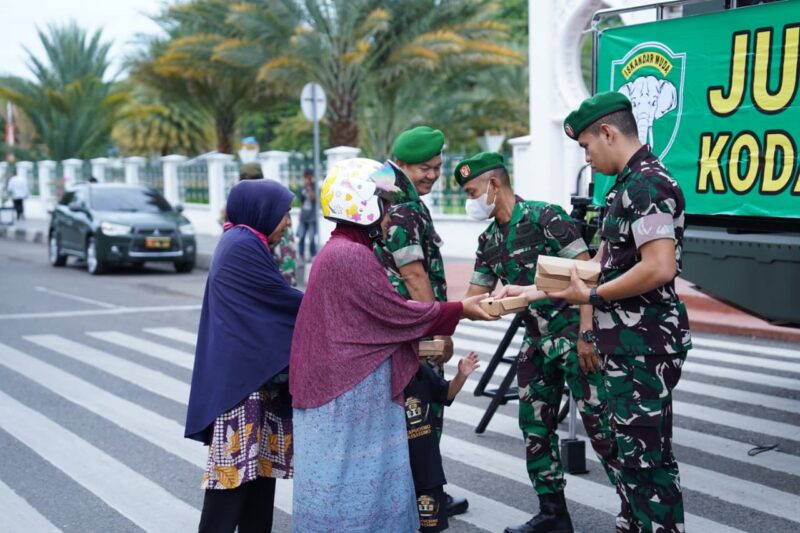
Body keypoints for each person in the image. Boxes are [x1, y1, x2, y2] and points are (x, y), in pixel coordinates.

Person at [504, 91, 692, 533]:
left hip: (644, 347)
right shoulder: (625, 187)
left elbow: (659, 266)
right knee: (627, 457)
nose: (586, 156)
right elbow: (594, 268)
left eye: (587, 145)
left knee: (647, 466)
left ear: (608, 132)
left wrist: (593, 298)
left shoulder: (648, 184)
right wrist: (533, 292)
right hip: (624, 346)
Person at [289, 158, 496, 533]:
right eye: (384, 205)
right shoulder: (350, 256)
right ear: (363, 206)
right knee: (352, 486)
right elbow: (394, 314)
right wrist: (461, 310)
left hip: (344, 388)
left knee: (353, 480)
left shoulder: (343, 250)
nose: (389, 217)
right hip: (347, 393)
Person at [456, 152, 620, 533]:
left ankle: (636, 510)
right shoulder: (490, 239)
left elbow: (587, 275)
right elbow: (475, 294)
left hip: (574, 335)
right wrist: (468, 310)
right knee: (534, 427)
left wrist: (587, 335)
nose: (470, 200)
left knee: (603, 430)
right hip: (537, 341)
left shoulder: (545, 218)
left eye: (472, 191)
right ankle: (553, 514)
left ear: (494, 185)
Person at [185, 179, 303, 532]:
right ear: (263, 211)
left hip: (252, 378)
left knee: (257, 476)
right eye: (284, 214)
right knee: (231, 481)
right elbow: (280, 301)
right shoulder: (242, 245)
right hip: (239, 387)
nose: (288, 223)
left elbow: (269, 302)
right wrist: (329, 302)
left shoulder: (249, 241)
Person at [374, 126, 468, 517]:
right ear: (402, 164)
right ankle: (426, 496)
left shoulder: (385, 193)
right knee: (424, 411)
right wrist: (437, 330)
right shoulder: (406, 207)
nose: (431, 175)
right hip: (415, 327)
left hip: (396, 324)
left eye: (436, 167)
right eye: (423, 168)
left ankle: (409, 493)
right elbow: (413, 274)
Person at [405, 351, 480, 533]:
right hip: (396, 467)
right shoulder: (379, 377)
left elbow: (445, 392)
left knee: (430, 525)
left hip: (425, 467)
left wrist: (461, 375)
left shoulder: (420, 371)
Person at [237, 162, 298, 286]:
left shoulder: (275, 206)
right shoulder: (237, 207)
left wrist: (286, 289)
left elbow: (286, 249)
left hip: (266, 280)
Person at [296, 168, 317, 261]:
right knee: (301, 236)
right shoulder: (302, 187)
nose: (307, 179)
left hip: (312, 217)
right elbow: (301, 202)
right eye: (305, 177)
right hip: (303, 217)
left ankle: (313, 255)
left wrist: (309, 188)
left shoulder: (315, 187)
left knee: (312, 237)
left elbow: (314, 198)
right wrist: (300, 213)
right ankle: (301, 255)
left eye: (308, 177)